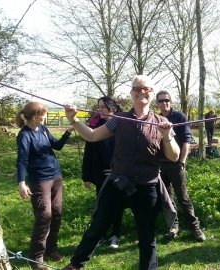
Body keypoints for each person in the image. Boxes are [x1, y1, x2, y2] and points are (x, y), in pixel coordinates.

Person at [62, 75, 179, 270]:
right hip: (117, 184)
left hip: (147, 187)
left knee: (147, 237)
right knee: (97, 227)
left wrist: (166, 136)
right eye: (137, 88)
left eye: (146, 89)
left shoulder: (161, 121)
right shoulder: (119, 119)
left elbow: (173, 156)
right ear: (131, 93)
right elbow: (92, 136)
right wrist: (72, 119)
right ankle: (75, 264)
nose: (142, 91)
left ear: (152, 93)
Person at [15, 101, 74, 270]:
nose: (46, 116)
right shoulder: (25, 135)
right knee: (44, 217)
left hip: (56, 177)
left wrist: (68, 132)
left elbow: (57, 146)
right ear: (35, 117)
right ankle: (36, 259)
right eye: (44, 114)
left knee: (56, 214)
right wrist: (21, 183)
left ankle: (51, 250)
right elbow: (22, 160)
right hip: (40, 181)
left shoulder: (42, 129)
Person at [155, 90, 206, 242]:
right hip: (160, 165)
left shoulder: (179, 117)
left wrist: (182, 162)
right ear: (157, 103)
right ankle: (173, 227)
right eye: (161, 101)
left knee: (183, 197)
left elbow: (186, 141)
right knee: (166, 199)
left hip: (176, 165)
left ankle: (195, 227)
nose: (165, 103)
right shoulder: (155, 119)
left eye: (167, 100)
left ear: (171, 101)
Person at [82, 96, 123, 249]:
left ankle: (116, 235)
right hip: (101, 175)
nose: (100, 110)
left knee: (118, 205)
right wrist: (86, 176)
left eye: (103, 107)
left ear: (112, 108)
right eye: (99, 107)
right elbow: (88, 154)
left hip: (119, 173)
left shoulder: (122, 125)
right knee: (102, 207)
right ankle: (101, 235)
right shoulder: (95, 127)